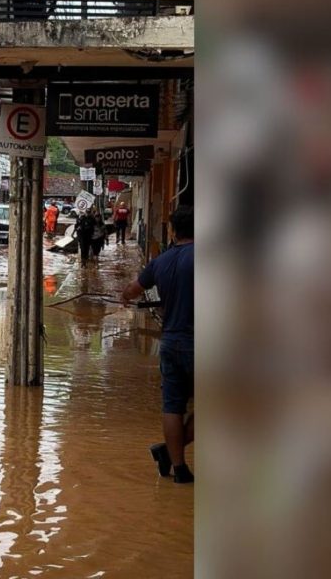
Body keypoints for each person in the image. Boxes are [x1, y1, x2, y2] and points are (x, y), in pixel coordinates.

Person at [122, 205, 194, 483]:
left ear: (172, 231)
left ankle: (179, 469)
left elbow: (132, 289)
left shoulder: (160, 262)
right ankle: (167, 451)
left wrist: (125, 297)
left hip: (171, 342)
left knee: (173, 406)